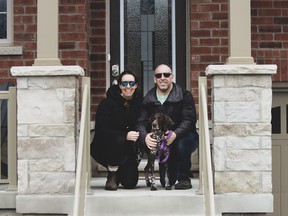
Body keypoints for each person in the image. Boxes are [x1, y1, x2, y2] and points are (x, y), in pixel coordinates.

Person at [136, 64, 199, 190]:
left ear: (172, 77)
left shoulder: (184, 95)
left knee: (181, 144)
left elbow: (189, 120)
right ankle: (171, 174)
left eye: (166, 75)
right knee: (167, 183)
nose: (163, 78)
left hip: (184, 138)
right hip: (163, 143)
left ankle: (184, 177)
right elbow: (140, 123)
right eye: (159, 75)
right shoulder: (148, 99)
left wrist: (175, 134)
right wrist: (145, 137)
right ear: (155, 79)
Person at [90, 70, 143, 191]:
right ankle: (112, 172)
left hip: (127, 151)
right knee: (118, 140)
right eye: (124, 84)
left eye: (131, 83)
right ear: (119, 85)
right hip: (106, 147)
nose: (128, 87)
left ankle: (119, 171)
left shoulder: (140, 103)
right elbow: (101, 130)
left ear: (136, 85)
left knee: (130, 183)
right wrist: (125, 135)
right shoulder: (107, 103)